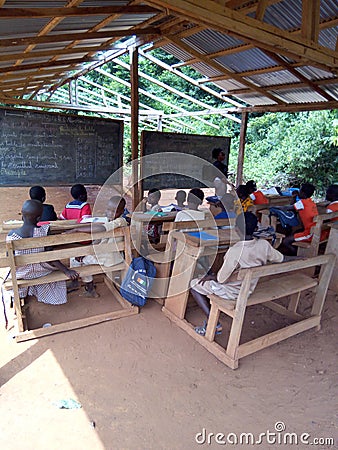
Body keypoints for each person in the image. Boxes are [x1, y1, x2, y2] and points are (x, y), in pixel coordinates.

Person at [190, 212, 288, 336]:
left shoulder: (235, 251)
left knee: (193, 284)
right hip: (249, 288)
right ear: (256, 229)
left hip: (232, 292)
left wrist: (211, 276)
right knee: (212, 275)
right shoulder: (264, 245)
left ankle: (214, 324)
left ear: (236, 229)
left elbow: (221, 280)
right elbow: (280, 258)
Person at [6, 200, 78, 305]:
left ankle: (22, 295)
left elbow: (10, 259)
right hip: (42, 272)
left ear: (22, 214)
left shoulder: (12, 235)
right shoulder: (44, 231)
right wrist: (66, 271)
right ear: (39, 218)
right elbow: (50, 257)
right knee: (55, 277)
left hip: (22, 274)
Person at [65, 196, 128, 298]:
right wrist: (88, 249)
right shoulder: (111, 220)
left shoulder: (121, 221)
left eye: (114, 211)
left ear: (122, 211)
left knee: (77, 259)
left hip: (110, 258)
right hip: (107, 254)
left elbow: (102, 228)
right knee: (80, 255)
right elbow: (99, 240)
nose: (109, 213)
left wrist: (78, 230)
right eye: (108, 209)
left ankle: (87, 288)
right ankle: (83, 285)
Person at [279, 183, 318, 255]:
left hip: (310, 232)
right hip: (315, 229)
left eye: (300, 190)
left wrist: (273, 207)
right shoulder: (311, 202)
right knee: (295, 232)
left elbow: (287, 208)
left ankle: (296, 256)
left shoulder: (302, 203)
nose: (298, 191)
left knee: (286, 241)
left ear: (303, 193)